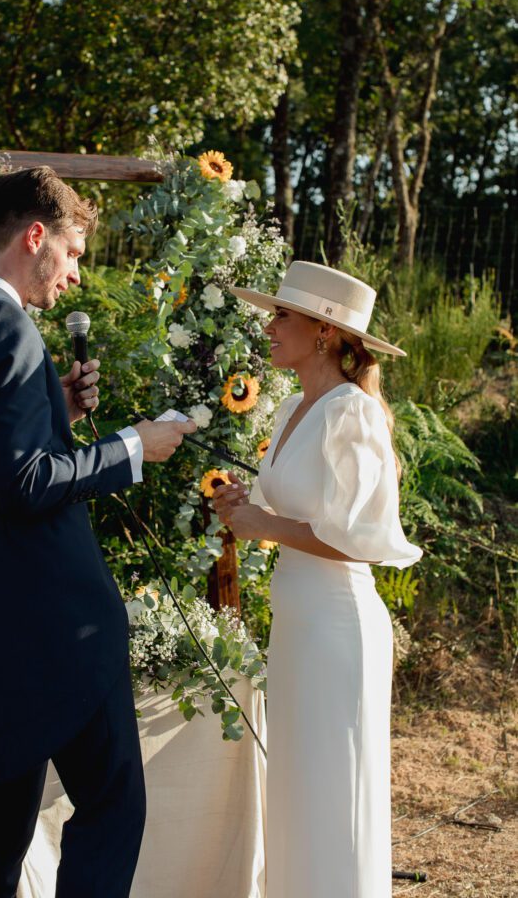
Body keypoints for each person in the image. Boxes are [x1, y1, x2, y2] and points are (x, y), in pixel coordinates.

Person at [0, 166, 196, 898]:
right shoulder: (7, 325)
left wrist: (55, 414)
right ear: (36, 236)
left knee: (1, 815)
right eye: (70, 253)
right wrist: (134, 445)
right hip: (56, 618)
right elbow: (29, 484)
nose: (72, 276)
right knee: (110, 801)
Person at [213, 260, 422, 898]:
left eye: (281, 315)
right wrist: (247, 508)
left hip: (337, 627)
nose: (268, 326)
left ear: (325, 332)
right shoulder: (289, 410)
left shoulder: (350, 414)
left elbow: (352, 541)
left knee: (337, 795)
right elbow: (303, 514)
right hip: (299, 624)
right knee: (300, 790)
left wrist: (262, 526)